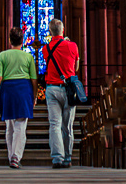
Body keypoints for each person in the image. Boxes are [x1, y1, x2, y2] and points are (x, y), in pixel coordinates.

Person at [0, 27, 37, 167]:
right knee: (20, 125)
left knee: (9, 126)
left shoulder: (2, 55)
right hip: (23, 90)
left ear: (10, 41)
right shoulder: (28, 57)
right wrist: (34, 96)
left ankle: (12, 157)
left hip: (7, 91)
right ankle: (16, 156)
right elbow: (34, 79)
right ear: (22, 41)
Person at [42, 17, 80, 168]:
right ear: (62, 30)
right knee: (67, 126)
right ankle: (68, 158)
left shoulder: (46, 48)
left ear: (50, 32)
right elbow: (76, 68)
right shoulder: (73, 46)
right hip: (68, 89)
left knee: (54, 125)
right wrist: (68, 43)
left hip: (52, 88)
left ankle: (57, 158)